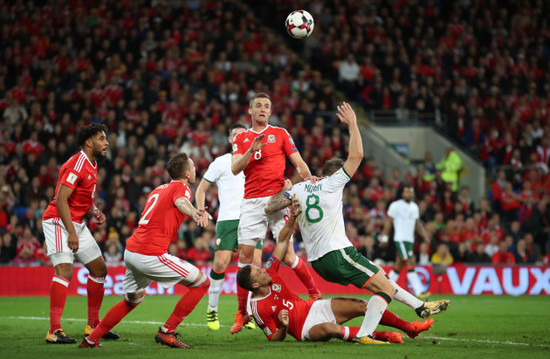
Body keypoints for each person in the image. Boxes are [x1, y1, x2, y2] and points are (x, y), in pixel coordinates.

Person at [266, 102, 450, 343]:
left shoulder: (300, 188)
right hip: (337, 253)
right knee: (383, 288)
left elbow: (270, 206)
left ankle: (419, 306)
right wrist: (353, 124)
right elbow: (358, 155)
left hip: (318, 262)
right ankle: (365, 334)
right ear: (337, 174)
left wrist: (287, 189)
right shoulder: (333, 183)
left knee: (382, 278)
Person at [238, 197, 434, 344]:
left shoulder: (270, 272)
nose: (263, 271)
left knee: (361, 305)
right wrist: (284, 327)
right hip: (305, 329)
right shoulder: (257, 309)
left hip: (313, 308)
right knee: (332, 329)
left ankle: (409, 327)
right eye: (258, 273)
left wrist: (292, 220)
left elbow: (281, 243)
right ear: (255, 285)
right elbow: (273, 338)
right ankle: (383, 336)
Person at [79, 153, 211, 349]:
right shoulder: (182, 189)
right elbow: (181, 202)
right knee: (202, 283)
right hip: (150, 254)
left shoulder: (159, 189)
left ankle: (91, 340)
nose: (195, 171)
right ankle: (167, 331)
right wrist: (193, 212)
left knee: (132, 300)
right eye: (192, 167)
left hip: (132, 251)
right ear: (186, 174)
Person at [230, 92, 321, 333]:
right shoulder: (242, 138)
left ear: (270, 111)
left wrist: (307, 177)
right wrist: (251, 150)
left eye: (266, 106)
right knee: (246, 260)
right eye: (258, 106)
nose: (262, 109)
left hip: (277, 199)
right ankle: (242, 314)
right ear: (250, 111)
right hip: (251, 202)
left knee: (289, 257)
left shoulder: (280, 133)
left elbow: (298, 162)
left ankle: (314, 293)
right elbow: (235, 170)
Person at [42, 124, 119, 344]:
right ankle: (54, 330)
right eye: (101, 139)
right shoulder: (76, 164)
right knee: (65, 271)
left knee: (99, 269)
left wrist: (94, 210)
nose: (106, 143)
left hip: (76, 221)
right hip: (58, 220)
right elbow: (61, 199)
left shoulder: (92, 164)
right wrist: (72, 233)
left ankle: (93, 327)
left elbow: (81, 196)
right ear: (88, 142)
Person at [196, 124, 263, 330]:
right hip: (228, 219)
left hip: (252, 217)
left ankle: (246, 313)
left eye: (242, 134)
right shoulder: (222, 162)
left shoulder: (256, 159)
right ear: (229, 139)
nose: (238, 137)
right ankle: (212, 309)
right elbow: (201, 188)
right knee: (221, 264)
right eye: (235, 134)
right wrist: (200, 209)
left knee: (254, 268)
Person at [379, 185, 431, 299]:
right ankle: (419, 292)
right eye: (406, 192)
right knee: (410, 262)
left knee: (399, 265)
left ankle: (385, 288)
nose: (408, 194)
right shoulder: (395, 205)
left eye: (410, 192)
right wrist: (384, 237)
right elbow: (388, 222)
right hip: (400, 239)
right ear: (402, 194)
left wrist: (425, 235)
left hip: (410, 240)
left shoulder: (414, 207)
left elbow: (417, 224)